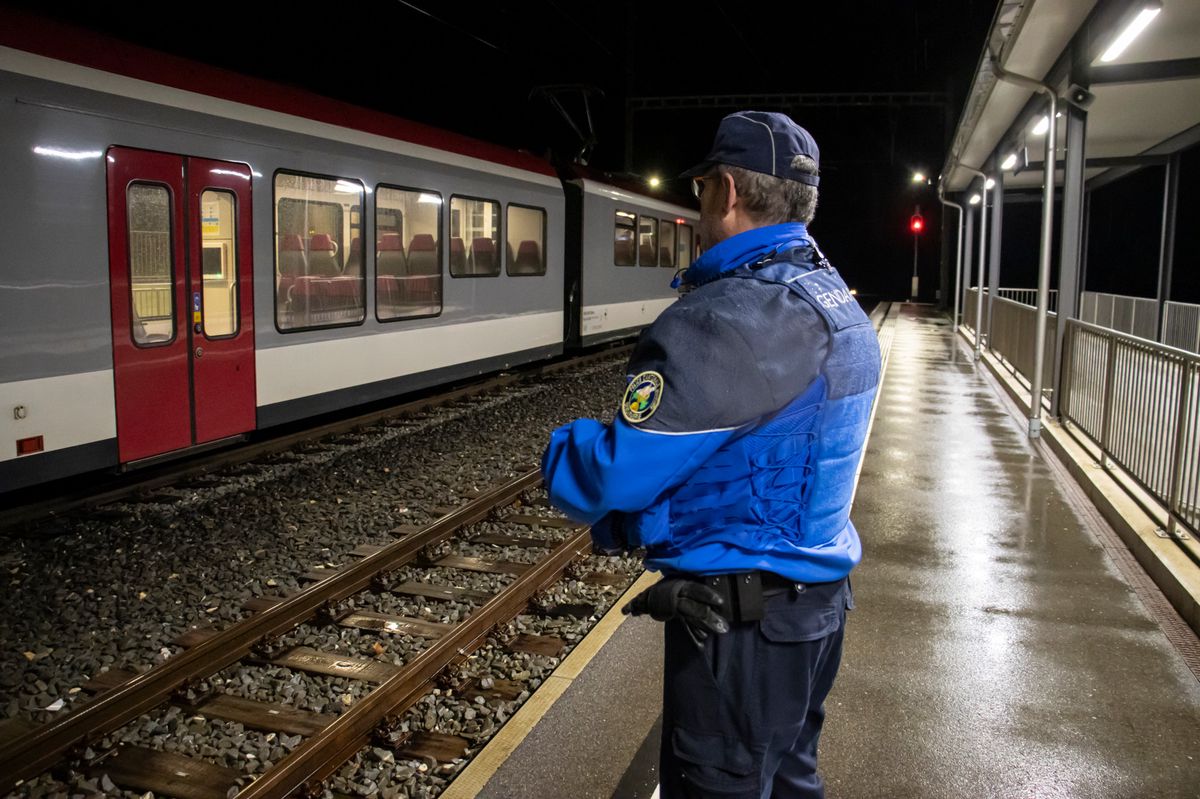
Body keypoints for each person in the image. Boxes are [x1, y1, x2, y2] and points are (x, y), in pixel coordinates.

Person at [542, 111, 880, 799]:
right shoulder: (832, 295)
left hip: (741, 636)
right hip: (815, 612)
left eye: (698, 190)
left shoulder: (729, 318)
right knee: (788, 779)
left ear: (725, 191)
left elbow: (611, 475)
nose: (696, 209)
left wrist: (556, 453)